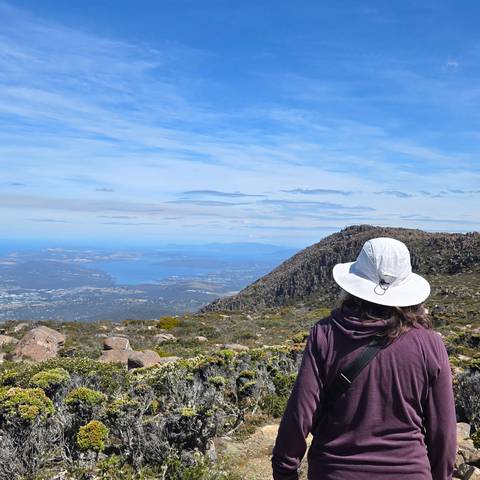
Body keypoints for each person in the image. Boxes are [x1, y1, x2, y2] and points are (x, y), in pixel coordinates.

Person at [271, 237, 457, 480]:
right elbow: (443, 430)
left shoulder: (325, 334)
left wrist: (284, 470)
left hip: (334, 471)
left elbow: (299, 415)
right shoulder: (429, 344)